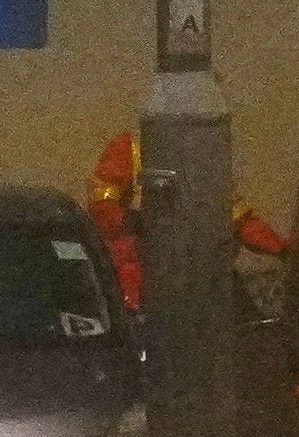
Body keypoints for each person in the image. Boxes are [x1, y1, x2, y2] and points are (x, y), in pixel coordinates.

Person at [85, 131, 287, 315]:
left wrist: (282, 249)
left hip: (197, 266)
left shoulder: (205, 163)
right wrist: (134, 220)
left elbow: (239, 219)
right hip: (141, 266)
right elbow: (102, 204)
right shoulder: (130, 152)